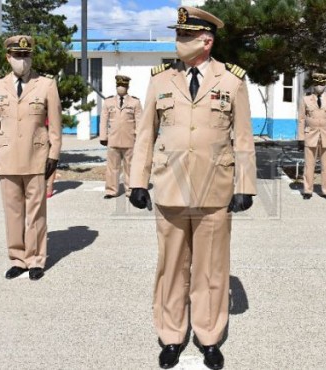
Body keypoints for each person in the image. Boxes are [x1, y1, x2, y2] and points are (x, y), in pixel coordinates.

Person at [128, 6, 257, 370]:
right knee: (171, 267)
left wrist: (244, 185)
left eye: (185, 36)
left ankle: (208, 336)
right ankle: (171, 335)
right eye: (178, 35)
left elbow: (244, 139)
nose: (178, 41)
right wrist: (138, 181)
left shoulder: (232, 81)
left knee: (212, 269)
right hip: (170, 189)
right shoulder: (160, 80)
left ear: (206, 40)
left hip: (215, 190)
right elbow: (144, 136)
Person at [0, 35, 62, 281]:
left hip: (37, 158)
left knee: (36, 213)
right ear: (8, 57)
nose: (22, 60)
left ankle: (36, 259)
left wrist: (54, 154)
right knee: (13, 213)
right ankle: (18, 259)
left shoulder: (46, 84)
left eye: (26, 55)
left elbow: (55, 126)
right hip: (7, 158)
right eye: (18, 56)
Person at [297, 72, 326, 200]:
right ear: (313, 84)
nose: (319, 86)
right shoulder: (305, 98)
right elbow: (301, 119)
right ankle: (307, 190)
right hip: (310, 134)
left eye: (322, 83)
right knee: (309, 165)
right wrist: (300, 138)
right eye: (317, 83)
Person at [99, 75, 142, 198]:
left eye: (123, 85)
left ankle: (130, 190)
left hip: (130, 140)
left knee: (130, 167)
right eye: (119, 85)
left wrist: (139, 138)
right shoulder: (108, 102)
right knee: (112, 167)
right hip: (113, 140)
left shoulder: (135, 102)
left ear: (128, 87)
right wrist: (103, 136)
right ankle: (111, 190)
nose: (121, 88)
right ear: (116, 86)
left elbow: (139, 121)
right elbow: (103, 120)